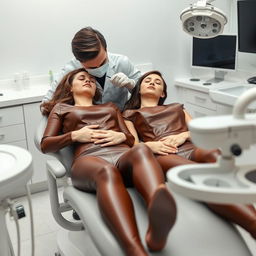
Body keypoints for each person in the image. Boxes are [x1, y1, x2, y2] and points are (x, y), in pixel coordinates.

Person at [40, 68, 177, 256]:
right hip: (89, 160)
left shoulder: (111, 107)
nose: (88, 80)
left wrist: (120, 135)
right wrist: (75, 135)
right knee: (107, 171)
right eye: (82, 78)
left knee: (141, 149)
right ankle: (133, 248)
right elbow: (45, 144)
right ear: (70, 88)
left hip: (121, 155)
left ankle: (158, 213)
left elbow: (131, 138)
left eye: (90, 79)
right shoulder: (62, 109)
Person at [123, 70, 256, 240]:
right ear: (139, 89)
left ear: (163, 92)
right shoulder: (129, 115)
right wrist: (150, 145)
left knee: (214, 154)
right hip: (164, 153)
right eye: (147, 80)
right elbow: (133, 145)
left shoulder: (177, 107)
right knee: (196, 173)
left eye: (158, 82)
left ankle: (246, 209)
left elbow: (197, 132)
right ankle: (252, 223)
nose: (152, 83)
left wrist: (183, 135)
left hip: (189, 146)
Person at [43, 26, 141, 110]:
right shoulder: (71, 69)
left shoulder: (122, 62)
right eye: (92, 67)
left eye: (103, 62)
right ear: (79, 61)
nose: (99, 68)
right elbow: (47, 103)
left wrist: (131, 84)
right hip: (84, 123)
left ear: (106, 49)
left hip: (118, 119)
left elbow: (145, 92)